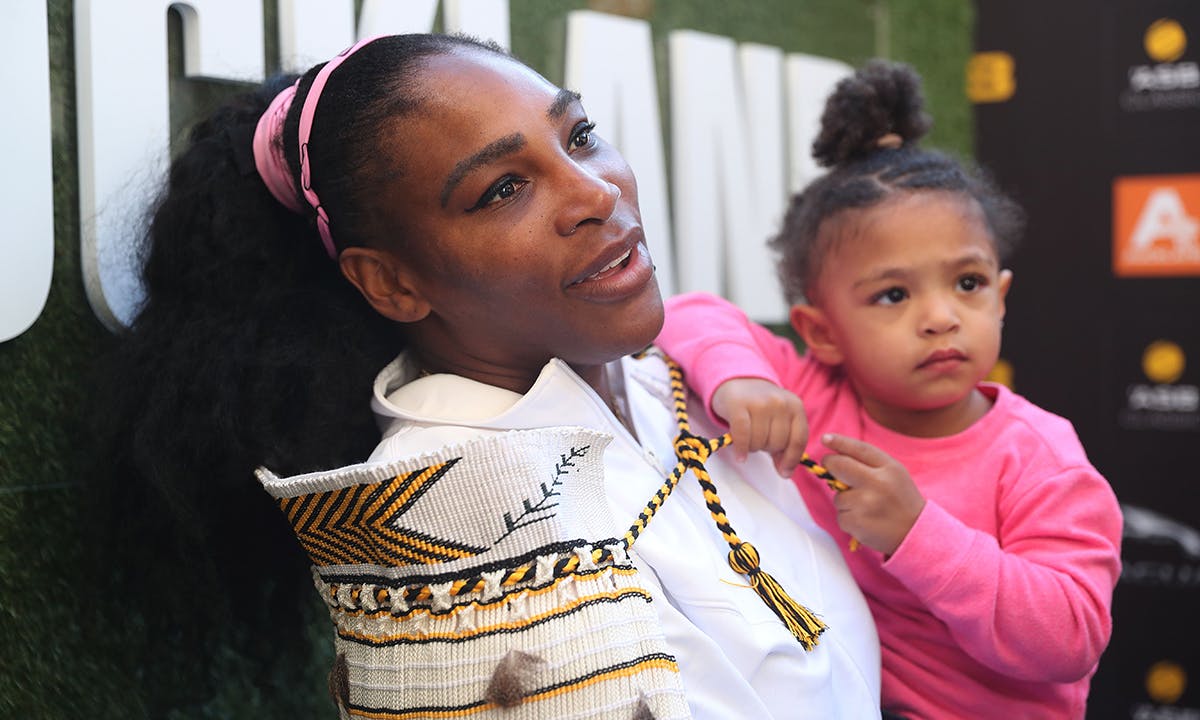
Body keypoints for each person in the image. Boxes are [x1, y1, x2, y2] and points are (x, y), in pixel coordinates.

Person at [97, 33, 882, 718]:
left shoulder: (683, 382)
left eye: (579, 136)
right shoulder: (451, 546)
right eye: (503, 188)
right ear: (393, 282)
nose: (596, 192)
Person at [655, 60, 1123, 719]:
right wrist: (743, 380)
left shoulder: (1038, 454)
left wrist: (918, 534)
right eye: (893, 294)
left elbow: (1071, 635)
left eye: (967, 283)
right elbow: (685, 311)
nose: (941, 316)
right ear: (822, 332)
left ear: (1002, 296)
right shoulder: (813, 393)